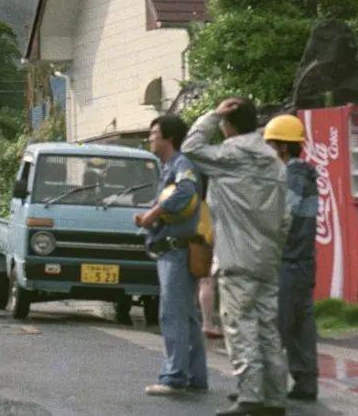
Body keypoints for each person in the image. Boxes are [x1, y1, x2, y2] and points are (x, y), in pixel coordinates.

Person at [183, 98, 290, 416]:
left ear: (228, 125)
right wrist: (274, 246)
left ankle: (251, 395)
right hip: (268, 256)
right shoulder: (274, 161)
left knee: (240, 325)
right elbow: (286, 216)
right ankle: (275, 396)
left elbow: (191, 147)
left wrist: (212, 115)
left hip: (236, 256)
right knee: (267, 327)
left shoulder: (230, 156)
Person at [135, 114, 209, 398]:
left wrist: (154, 213)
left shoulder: (182, 165)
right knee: (187, 316)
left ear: (169, 137)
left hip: (176, 251)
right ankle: (195, 376)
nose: (150, 138)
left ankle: (174, 377)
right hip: (173, 248)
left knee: (173, 314)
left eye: (154, 134)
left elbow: (185, 193)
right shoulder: (169, 166)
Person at [263, 114, 319, 404]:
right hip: (304, 261)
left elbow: (283, 216)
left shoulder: (292, 176)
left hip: (288, 261)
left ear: (283, 147)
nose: (268, 152)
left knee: (276, 328)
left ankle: (263, 388)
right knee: (300, 326)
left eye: (270, 145)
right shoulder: (305, 174)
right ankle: (306, 382)